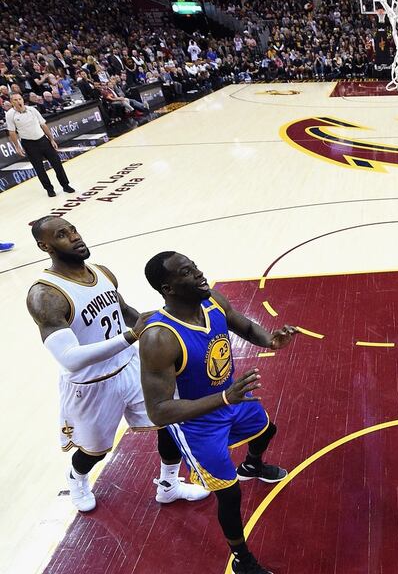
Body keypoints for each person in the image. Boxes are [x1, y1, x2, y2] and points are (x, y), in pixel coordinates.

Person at [25, 217, 208, 513]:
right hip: (91, 384)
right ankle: (77, 477)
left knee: (169, 422)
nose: (74, 237)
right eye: (62, 235)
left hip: (131, 367)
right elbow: (69, 358)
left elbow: (124, 311)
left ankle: (169, 485)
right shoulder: (45, 295)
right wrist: (131, 336)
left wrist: (163, 329)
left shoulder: (101, 272)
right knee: (94, 451)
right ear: (44, 246)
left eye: (73, 229)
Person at [140, 251, 296, 574]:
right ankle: (242, 559)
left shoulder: (213, 300)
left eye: (194, 265)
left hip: (230, 399)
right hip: (195, 423)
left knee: (267, 430)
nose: (198, 273)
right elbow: (159, 411)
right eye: (186, 272)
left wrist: (271, 340)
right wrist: (224, 397)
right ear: (168, 288)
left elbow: (246, 326)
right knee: (229, 494)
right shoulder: (159, 337)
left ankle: (252, 464)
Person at [5, 93, 75, 197]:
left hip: (42, 140)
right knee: (39, 168)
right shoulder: (10, 114)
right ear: (11, 102)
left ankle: (65, 185)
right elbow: (12, 132)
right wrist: (17, 147)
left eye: (20, 99)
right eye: (15, 100)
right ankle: (49, 189)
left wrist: (51, 139)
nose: (18, 101)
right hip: (29, 144)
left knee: (57, 163)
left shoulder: (32, 110)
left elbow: (43, 124)